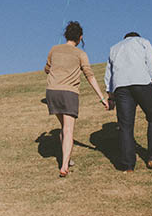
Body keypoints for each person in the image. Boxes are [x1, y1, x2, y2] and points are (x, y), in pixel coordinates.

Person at [45, 21, 109, 177]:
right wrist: (102, 98)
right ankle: (64, 165)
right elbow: (89, 76)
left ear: (65, 35)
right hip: (69, 93)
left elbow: (46, 69)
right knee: (68, 129)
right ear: (80, 38)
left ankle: (66, 158)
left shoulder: (54, 49)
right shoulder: (80, 54)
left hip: (52, 92)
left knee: (63, 127)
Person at [104, 32, 152, 172]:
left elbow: (109, 73)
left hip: (120, 86)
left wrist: (110, 97)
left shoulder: (114, 48)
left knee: (125, 126)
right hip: (141, 82)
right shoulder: (143, 41)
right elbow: (151, 62)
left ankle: (128, 166)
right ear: (136, 36)